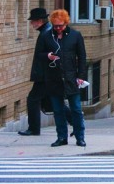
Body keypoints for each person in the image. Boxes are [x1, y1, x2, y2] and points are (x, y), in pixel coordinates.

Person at [39, 9, 87, 147]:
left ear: (66, 23)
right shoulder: (47, 36)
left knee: (76, 109)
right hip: (54, 78)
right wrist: (48, 56)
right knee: (58, 110)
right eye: (55, 26)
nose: (58, 28)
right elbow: (39, 55)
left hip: (71, 78)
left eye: (60, 26)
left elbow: (82, 57)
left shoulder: (75, 36)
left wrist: (81, 76)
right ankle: (61, 137)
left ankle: (80, 136)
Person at [17, 8, 51, 136]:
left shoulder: (46, 34)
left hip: (44, 76)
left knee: (33, 99)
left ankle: (34, 129)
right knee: (52, 101)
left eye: (33, 21)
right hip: (45, 75)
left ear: (40, 21)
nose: (32, 24)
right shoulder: (46, 32)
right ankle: (75, 121)